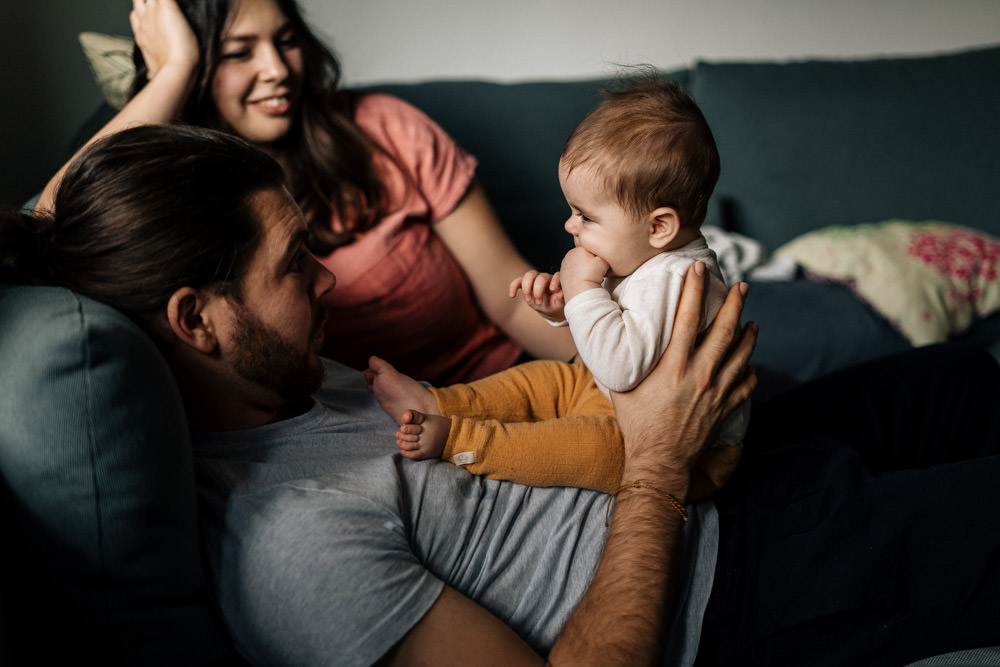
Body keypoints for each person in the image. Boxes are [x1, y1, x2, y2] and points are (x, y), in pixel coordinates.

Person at [6, 125, 1000, 667]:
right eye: (292, 264)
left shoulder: (295, 382)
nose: (330, 281)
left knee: (955, 378)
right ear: (195, 319)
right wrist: (654, 460)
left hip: (705, 470)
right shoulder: (289, 547)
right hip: (728, 583)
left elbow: (47, 225)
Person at [35, 0, 576, 386]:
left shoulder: (385, 129)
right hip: (373, 441)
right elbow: (47, 226)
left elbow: (513, 307)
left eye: (286, 40)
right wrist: (173, 70)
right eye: (237, 53)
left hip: (516, 390)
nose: (276, 70)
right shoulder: (181, 197)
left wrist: (621, 372)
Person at [366, 76, 747, 501]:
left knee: (580, 446)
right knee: (540, 380)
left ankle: (460, 440)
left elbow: (621, 366)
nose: (570, 226)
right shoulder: (644, 254)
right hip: (611, 395)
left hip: (685, 451)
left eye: (585, 216)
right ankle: (441, 403)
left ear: (659, 226)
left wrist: (583, 288)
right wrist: (562, 309)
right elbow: (613, 334)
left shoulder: (676, 280)